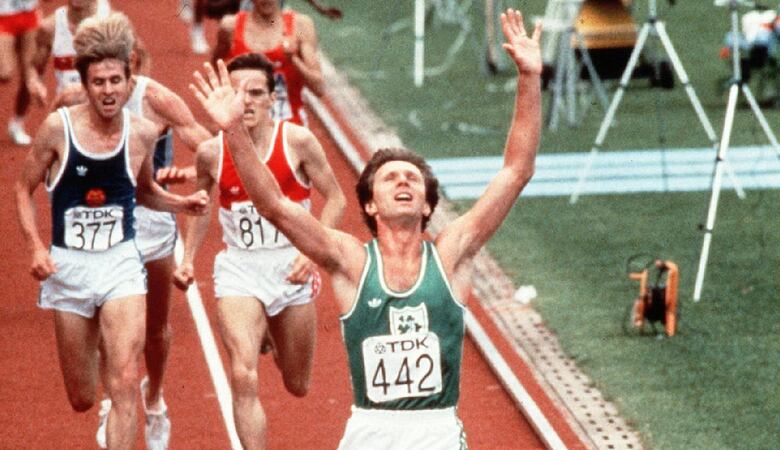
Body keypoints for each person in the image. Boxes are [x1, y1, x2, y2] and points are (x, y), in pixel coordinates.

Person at [190, 8, 542, 449]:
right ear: (371, 204)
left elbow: (515, 171)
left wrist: (529, 78)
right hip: (370, 430)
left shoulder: (451, 254)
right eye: (390, 177)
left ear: (427, 204)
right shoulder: (353, 261)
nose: (403, 182)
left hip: (436, 430)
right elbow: (275, 207)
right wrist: (235, 133)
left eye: (412, 178)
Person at [14, 12, 208, 450]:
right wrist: (35, 248)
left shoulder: (141, 133)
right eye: (98, 82)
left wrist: (182, 203)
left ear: (129, 79)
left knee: (123, 381)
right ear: (84, 83)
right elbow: (22, 188)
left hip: (121, 263)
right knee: (83, 397)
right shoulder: (58, 128)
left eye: (115, 81)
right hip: (69, 267)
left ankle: (132, 406)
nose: (108, 91)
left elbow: (144, 192)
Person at [174, 52, 346, 449]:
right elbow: (202, 205)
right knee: (243, 374)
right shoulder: (211, 152)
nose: (245, 101)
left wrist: (313, 250)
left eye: (254, 92)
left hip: (291, 266)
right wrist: (187, 259)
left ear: (272, 98)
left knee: (297, 383)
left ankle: (269, 331)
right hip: (240, 268)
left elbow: (336, 198)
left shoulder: (297, 142)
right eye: (236, 92)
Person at [213, 0, 324, 127]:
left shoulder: (300, 26)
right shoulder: (231, 26)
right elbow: (217, 67)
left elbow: (319, 88)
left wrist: (293, 59)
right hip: (243, 126)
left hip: (289, 126)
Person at [0, 0, 40, 145]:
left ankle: (17, 124)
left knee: (29, 75)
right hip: (3, 17)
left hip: (29, 16)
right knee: (5, 73)